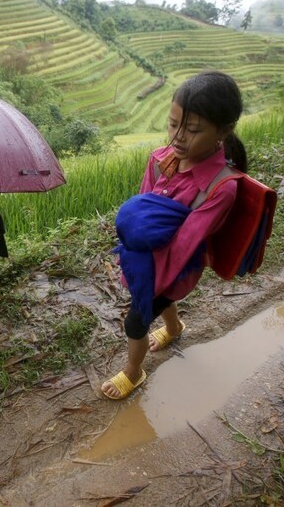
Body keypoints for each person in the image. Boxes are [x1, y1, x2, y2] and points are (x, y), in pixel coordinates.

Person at [102, 70, 248, 400]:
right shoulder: (161, 159)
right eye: (172, 124)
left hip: (175, 268)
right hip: (143, 257)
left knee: (135, 323)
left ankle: (134, 372)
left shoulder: (220, 188)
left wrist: (149, 284)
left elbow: (186, 244)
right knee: (156, 304)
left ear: (222, 131)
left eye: (193, 130)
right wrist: (132, 253)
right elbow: (143, 205)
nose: (178, 137)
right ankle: (173, 328)